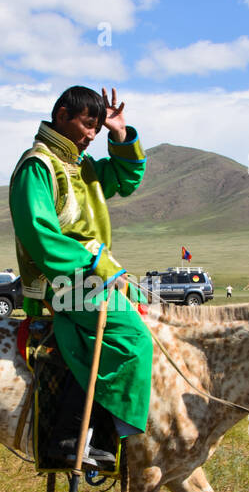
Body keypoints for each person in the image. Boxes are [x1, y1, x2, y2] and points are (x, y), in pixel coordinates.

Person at [8, 86, 150, 470]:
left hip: (88, 274)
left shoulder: (81, 166)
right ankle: (81, 436)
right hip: (61, 280)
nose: (91, 135)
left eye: (96, 128)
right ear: (61, 114)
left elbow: (125, 179)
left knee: (144, 314)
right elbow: (39, 234)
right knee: (131, 335)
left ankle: (96, 430)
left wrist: (119, 133)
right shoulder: (38, 164)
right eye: (87, 124)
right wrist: (100, 270)